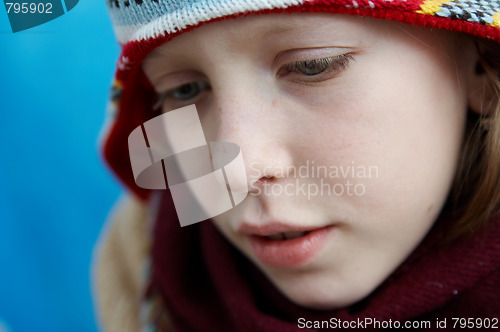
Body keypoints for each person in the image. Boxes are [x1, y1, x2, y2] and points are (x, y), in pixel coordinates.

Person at [93, 1, 500, 331]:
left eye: (312, 66)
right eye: (184, 90)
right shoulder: (141, 268)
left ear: (481, 62)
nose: (237, 171)